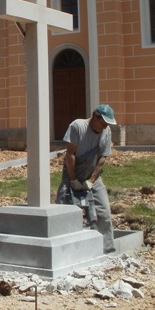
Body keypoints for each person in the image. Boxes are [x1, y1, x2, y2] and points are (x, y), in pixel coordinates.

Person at [56, 104, 117, 254]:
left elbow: (102, 159)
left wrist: (91, 181)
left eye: (107, 124)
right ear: (95, 116)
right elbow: (70, 155)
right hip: (72, 172)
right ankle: (65, 251)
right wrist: (73, 180)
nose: (104, 127)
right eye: (102, 123)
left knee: (104, 213)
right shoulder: (77, 126)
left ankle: (107, 250)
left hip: (93, 175)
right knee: (64, 211)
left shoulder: (106, 131)